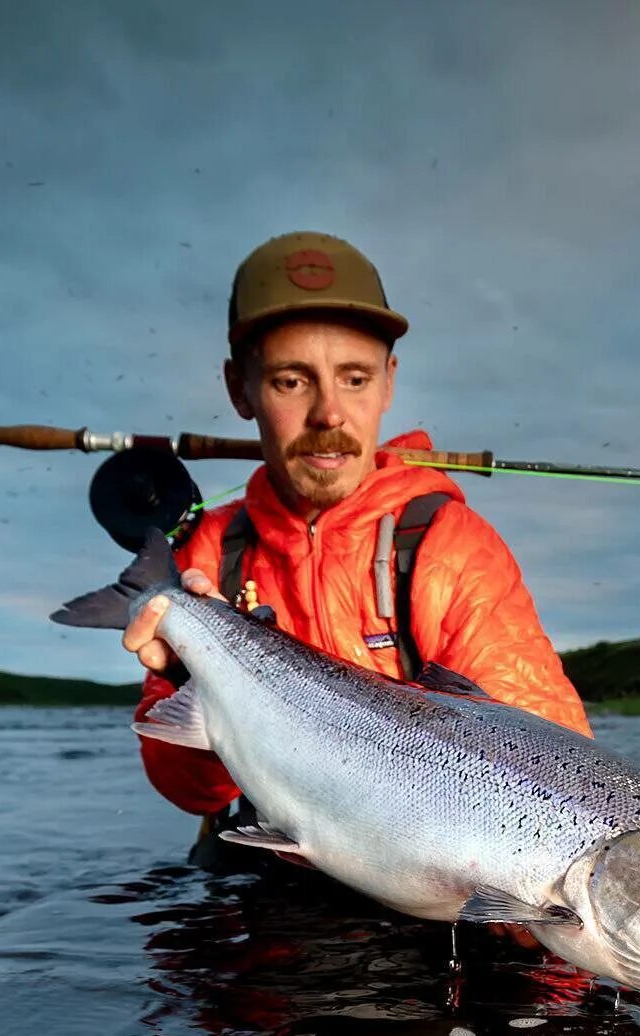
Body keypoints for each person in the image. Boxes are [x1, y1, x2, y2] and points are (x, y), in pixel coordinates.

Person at [122, 231, 591, 860]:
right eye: (292, 381)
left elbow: (560, 783)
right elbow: (189, 792)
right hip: (265, 877)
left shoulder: (448, 547)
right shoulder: (211, 553)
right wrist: (193, 676)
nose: (330, 415)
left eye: (355, 378)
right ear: (240, 390)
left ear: (389, 383)